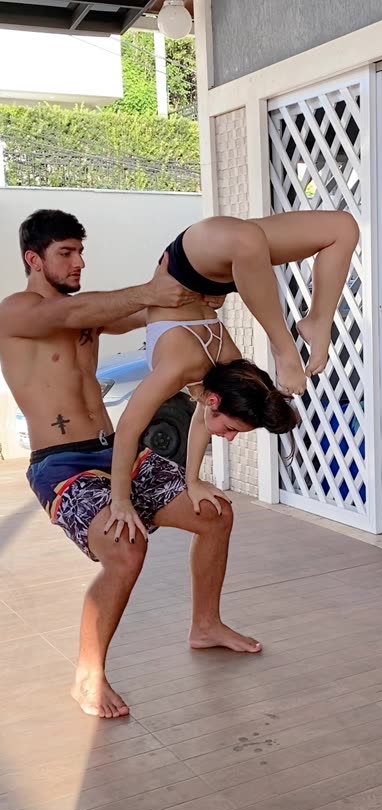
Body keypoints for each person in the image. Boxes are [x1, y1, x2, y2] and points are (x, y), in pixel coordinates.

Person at [0, 209, 264, 720]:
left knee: (216, 514)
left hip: (118, 450)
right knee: (125, 548)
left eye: (81, 252)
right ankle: (88, 676)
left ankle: (206, 625)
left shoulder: (90, 313)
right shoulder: (17, 312)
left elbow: (148, 311)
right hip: (62, 463)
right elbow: (81, 311)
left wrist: (197, 292)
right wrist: (152, 290)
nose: (79, 262)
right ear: (33, 259)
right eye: (66, 253)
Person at [107, 282, 299, 538]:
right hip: (174, 279)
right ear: (214, 402)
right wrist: (121, 501)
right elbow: (128, 428)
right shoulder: (177, 368)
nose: (229, 438)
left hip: (184, 299)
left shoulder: (232, 370)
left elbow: (202, 420)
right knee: (88, 322)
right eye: (231, 429)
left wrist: (193, 480)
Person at [159, 210, 359, 395]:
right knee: (344, 227)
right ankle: (314, 325)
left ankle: (290, 341)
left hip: (184, 268)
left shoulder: (172, 370)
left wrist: (149, 294)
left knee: (340, 229)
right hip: (229, 260)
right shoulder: (220, 373)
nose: (228, 436)